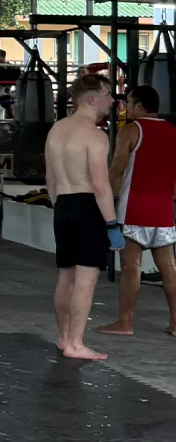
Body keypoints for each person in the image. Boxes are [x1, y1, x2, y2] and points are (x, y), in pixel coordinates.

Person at [43, 72, 121, 361]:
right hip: (89, 206)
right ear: (92, 98)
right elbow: (101, 185)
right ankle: (76, 343)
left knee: (66, 276)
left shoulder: (56, 130)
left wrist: (60, 207)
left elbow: (50, 179)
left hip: (63, 204)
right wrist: (112, 224)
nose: (112, 101)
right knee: (86, 278)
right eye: (108, 94)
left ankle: (64, 338)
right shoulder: (95, 136)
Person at [95, 85, 176, 337]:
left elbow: (117, 170)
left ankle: (125, 322)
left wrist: (106, 200)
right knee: (169, 268)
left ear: (140, 106)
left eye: (129, 102)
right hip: (163, 211)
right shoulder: (173, 131)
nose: (125, 107)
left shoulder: (131, 130)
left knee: (131, 267)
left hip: (134, 210)